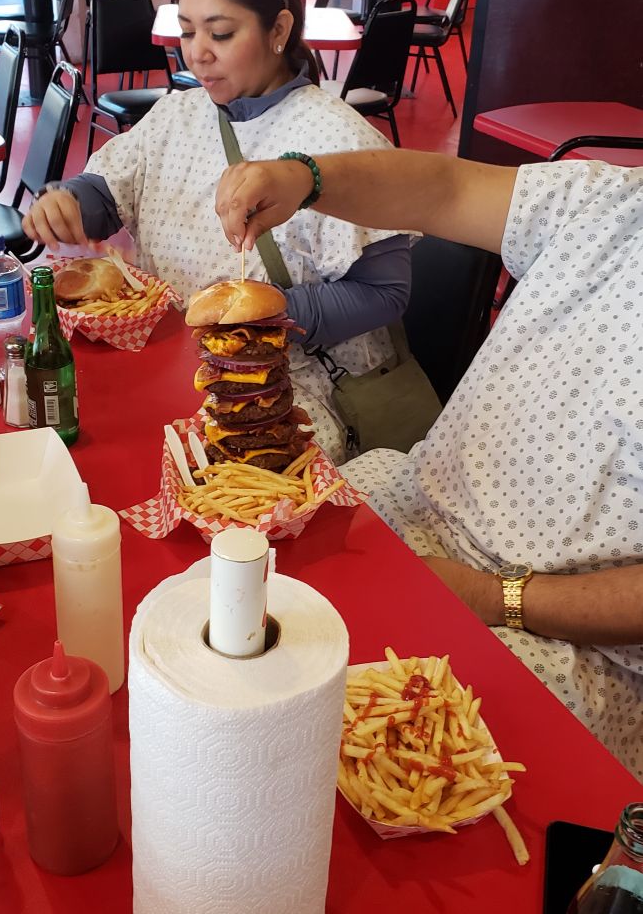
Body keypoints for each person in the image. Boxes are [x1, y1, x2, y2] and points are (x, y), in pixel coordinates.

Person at [215, 147, 643, 780]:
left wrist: (495, 596)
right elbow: (447, 188)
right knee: (234, 618)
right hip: (411, 497)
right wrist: (304, 178)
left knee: (380, 763)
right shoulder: (614, 203)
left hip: (558, 633)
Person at [22, 0, 414, 464]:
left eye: (221, 33)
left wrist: (261, 324)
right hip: (173, 364)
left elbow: (384, 292)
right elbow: (109, 191)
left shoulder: (340, 141)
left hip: (284, 390)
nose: (198, 54)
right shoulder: (177, 114)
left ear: (279, 29)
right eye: (186, 32)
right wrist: (70, 202)